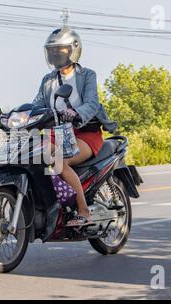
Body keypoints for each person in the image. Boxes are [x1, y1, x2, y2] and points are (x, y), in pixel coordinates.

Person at [32, 27, 117, 226]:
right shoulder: (48, 80)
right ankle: (45, 203)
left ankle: (83, 210)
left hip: (84, 133)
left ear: (73, 50)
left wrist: (76, 113)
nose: (55, 54)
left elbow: (92, 103)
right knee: (31, 152)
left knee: (61, 161)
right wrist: (19, 114)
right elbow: (37, 103)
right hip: (58, 132)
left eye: (60, 50)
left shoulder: (87, 75)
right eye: (52, 50)